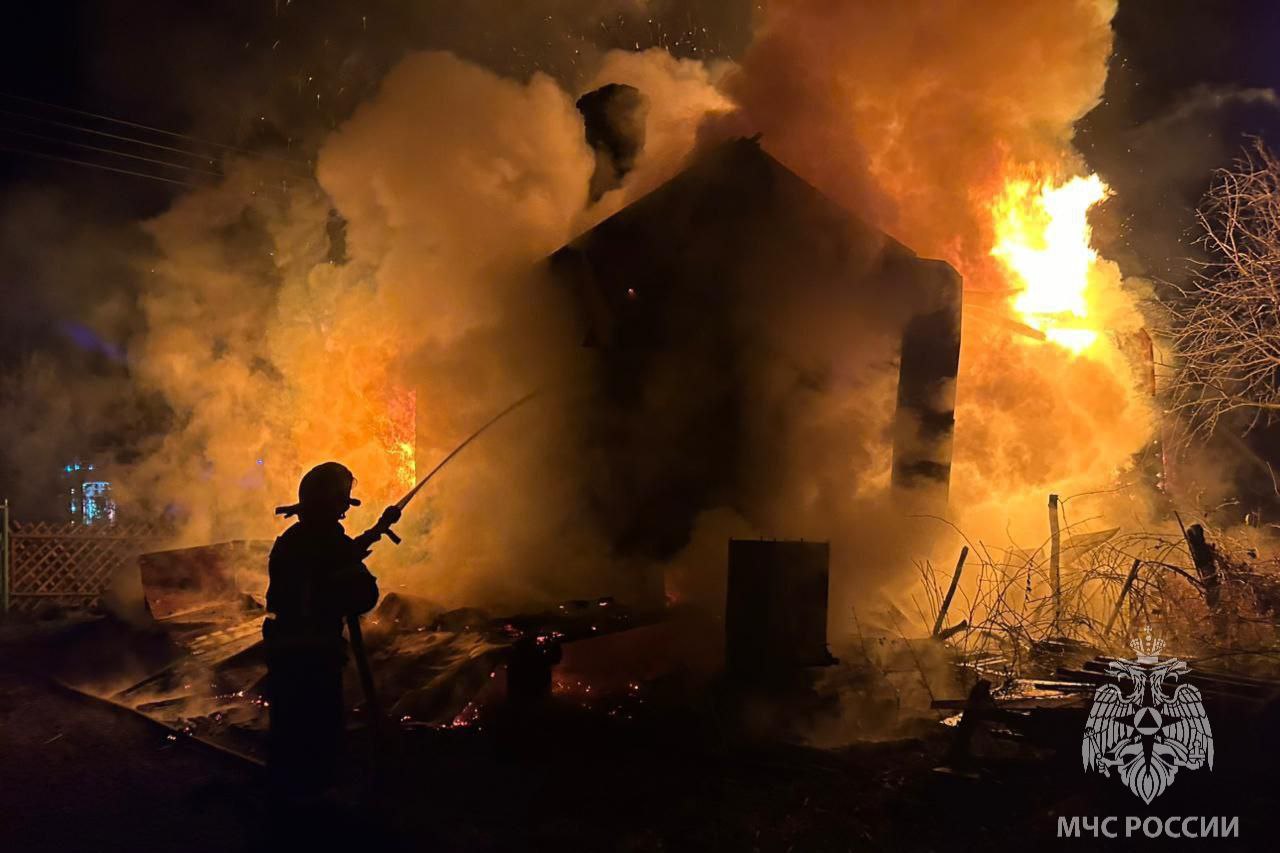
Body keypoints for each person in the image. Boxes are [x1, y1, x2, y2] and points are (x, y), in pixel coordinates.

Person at [263, 461, 400, 797]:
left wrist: (379, 528)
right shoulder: (328, 543)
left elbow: (337, 555)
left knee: (287, 730)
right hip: (314, 655)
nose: (344, 511)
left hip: (283, 651)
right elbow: (361, 593)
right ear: (333, 502)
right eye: (342, 502)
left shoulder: (292, 539)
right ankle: (317, 814)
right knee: (319, 732)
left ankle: (283, 803)